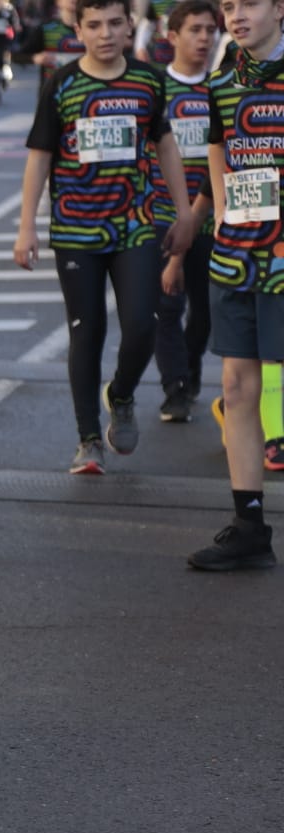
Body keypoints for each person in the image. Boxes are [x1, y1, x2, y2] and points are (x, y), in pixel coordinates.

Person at [13, 0, 195, 474]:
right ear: (78, 29)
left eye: (115, 23)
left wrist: (181, 214)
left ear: (129, 25)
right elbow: (39, 156)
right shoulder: (62, 84)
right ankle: (88, 439)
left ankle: (121, 394)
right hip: (76, 230)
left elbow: (167, 146)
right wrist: (26, 225)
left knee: (142, 324)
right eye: (94, 25)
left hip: (135, 225)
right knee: (86, 330)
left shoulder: (147, 80)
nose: (105, 34)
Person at [185, 0, 284, 571]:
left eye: (248, 4)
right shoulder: (224, 75)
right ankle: (250, 526)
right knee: (239, 389)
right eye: (227, 6)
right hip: (239, 257)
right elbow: (218, 145)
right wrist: (221, 213)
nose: (236, 16)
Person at [150, 0, 218, 423]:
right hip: (164, 214)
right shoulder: (156, 89)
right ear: (172, 37)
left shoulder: (221, 88)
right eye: (195, 30)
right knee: (167, 305)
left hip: (211, 215)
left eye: (211, 30)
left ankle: (190, 372)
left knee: (205, 310)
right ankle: (174, 388)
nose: (205, 38)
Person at [18, 0, 86, 93]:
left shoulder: (92, 29)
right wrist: (35, 58)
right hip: (53, 94)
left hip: (85, 91)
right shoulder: (46, 29)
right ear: (58, 2)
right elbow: (16, 56)